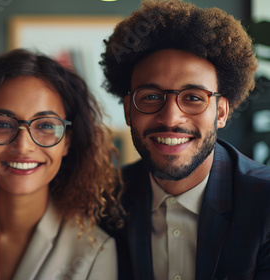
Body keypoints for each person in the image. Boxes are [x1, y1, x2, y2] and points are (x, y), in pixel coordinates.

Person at [99, 1, 270, 279]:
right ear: (128, 110)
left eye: (193, 98)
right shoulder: (105, 201)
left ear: (222, 112)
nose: (170, 118)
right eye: (151, 97)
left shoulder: (264, 203)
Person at [0, 49, 123, 280]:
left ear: (67, 142)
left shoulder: (94, 252)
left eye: (45, 126)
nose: (23, 146)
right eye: (3, 125)